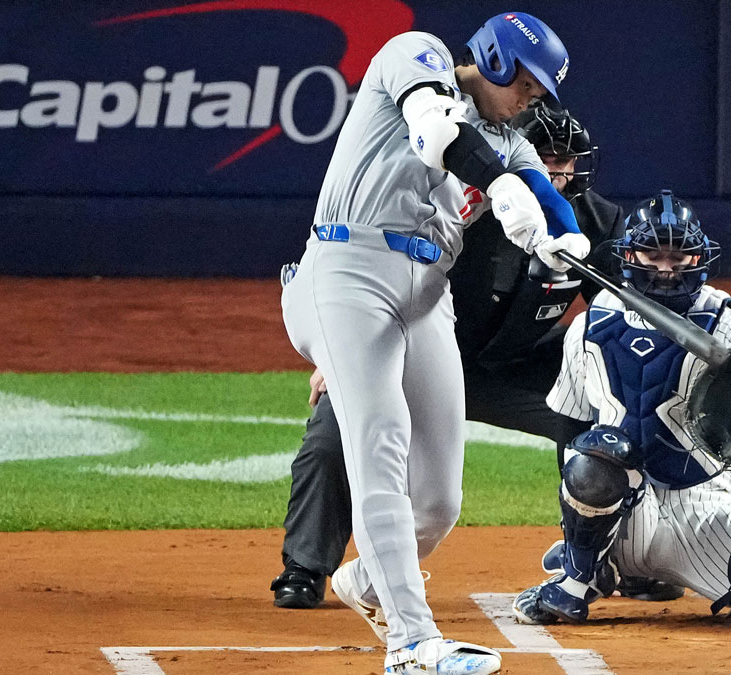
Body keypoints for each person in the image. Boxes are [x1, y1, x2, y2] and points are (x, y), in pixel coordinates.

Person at [272, 102, 684, 620]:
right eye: (547, 158)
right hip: (412, 352)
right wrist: (344, 343)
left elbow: (623, 304)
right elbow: (389, 276)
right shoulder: (459, 208)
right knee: (335, 431)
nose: (557, 172)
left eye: (568, 161)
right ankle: (305, 568)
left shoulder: (594, 221)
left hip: (511, 366)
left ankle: (610, 559)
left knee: (609, 396)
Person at [279, 13, 590, 675]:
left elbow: (543, 191)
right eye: (527, 84)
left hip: (424, 296)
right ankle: (412, 644)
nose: (531, 99)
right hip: (346, 270)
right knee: (381, 438)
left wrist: (565, 240)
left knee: (439, 501)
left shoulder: (512, 138)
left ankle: (368, 579)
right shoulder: (414, 54)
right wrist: (502, 184)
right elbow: (436, 133)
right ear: (496, 61)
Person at [511, 190, 731, 633]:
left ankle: (631, 573)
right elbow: (571, 424)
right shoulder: (589, 328)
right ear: (628, 255)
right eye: (653, 253)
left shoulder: (722, 324)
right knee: (599, 454)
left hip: (701, 512)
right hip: (625, 508)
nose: (666, 267)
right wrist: (575, 526)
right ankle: (581, 573)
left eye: (678, 256)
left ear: (697, 258)